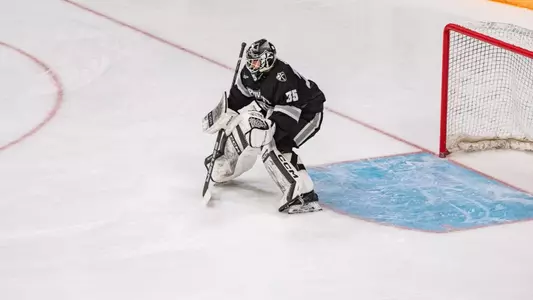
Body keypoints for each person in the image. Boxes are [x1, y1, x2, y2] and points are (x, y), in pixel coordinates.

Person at [203, 39, 326, 214]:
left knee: (274, 144)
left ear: (267, 59)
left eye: (255, 61)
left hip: (307, 114)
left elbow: (289, 114)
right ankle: (225, 166)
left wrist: (270, 131)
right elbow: (239, 97)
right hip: (277, 109)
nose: (251, 65)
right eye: (250, 61)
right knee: (247, 127)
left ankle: (304, 194)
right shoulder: (248, 74)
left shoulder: (283, 76)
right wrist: (227, 110)